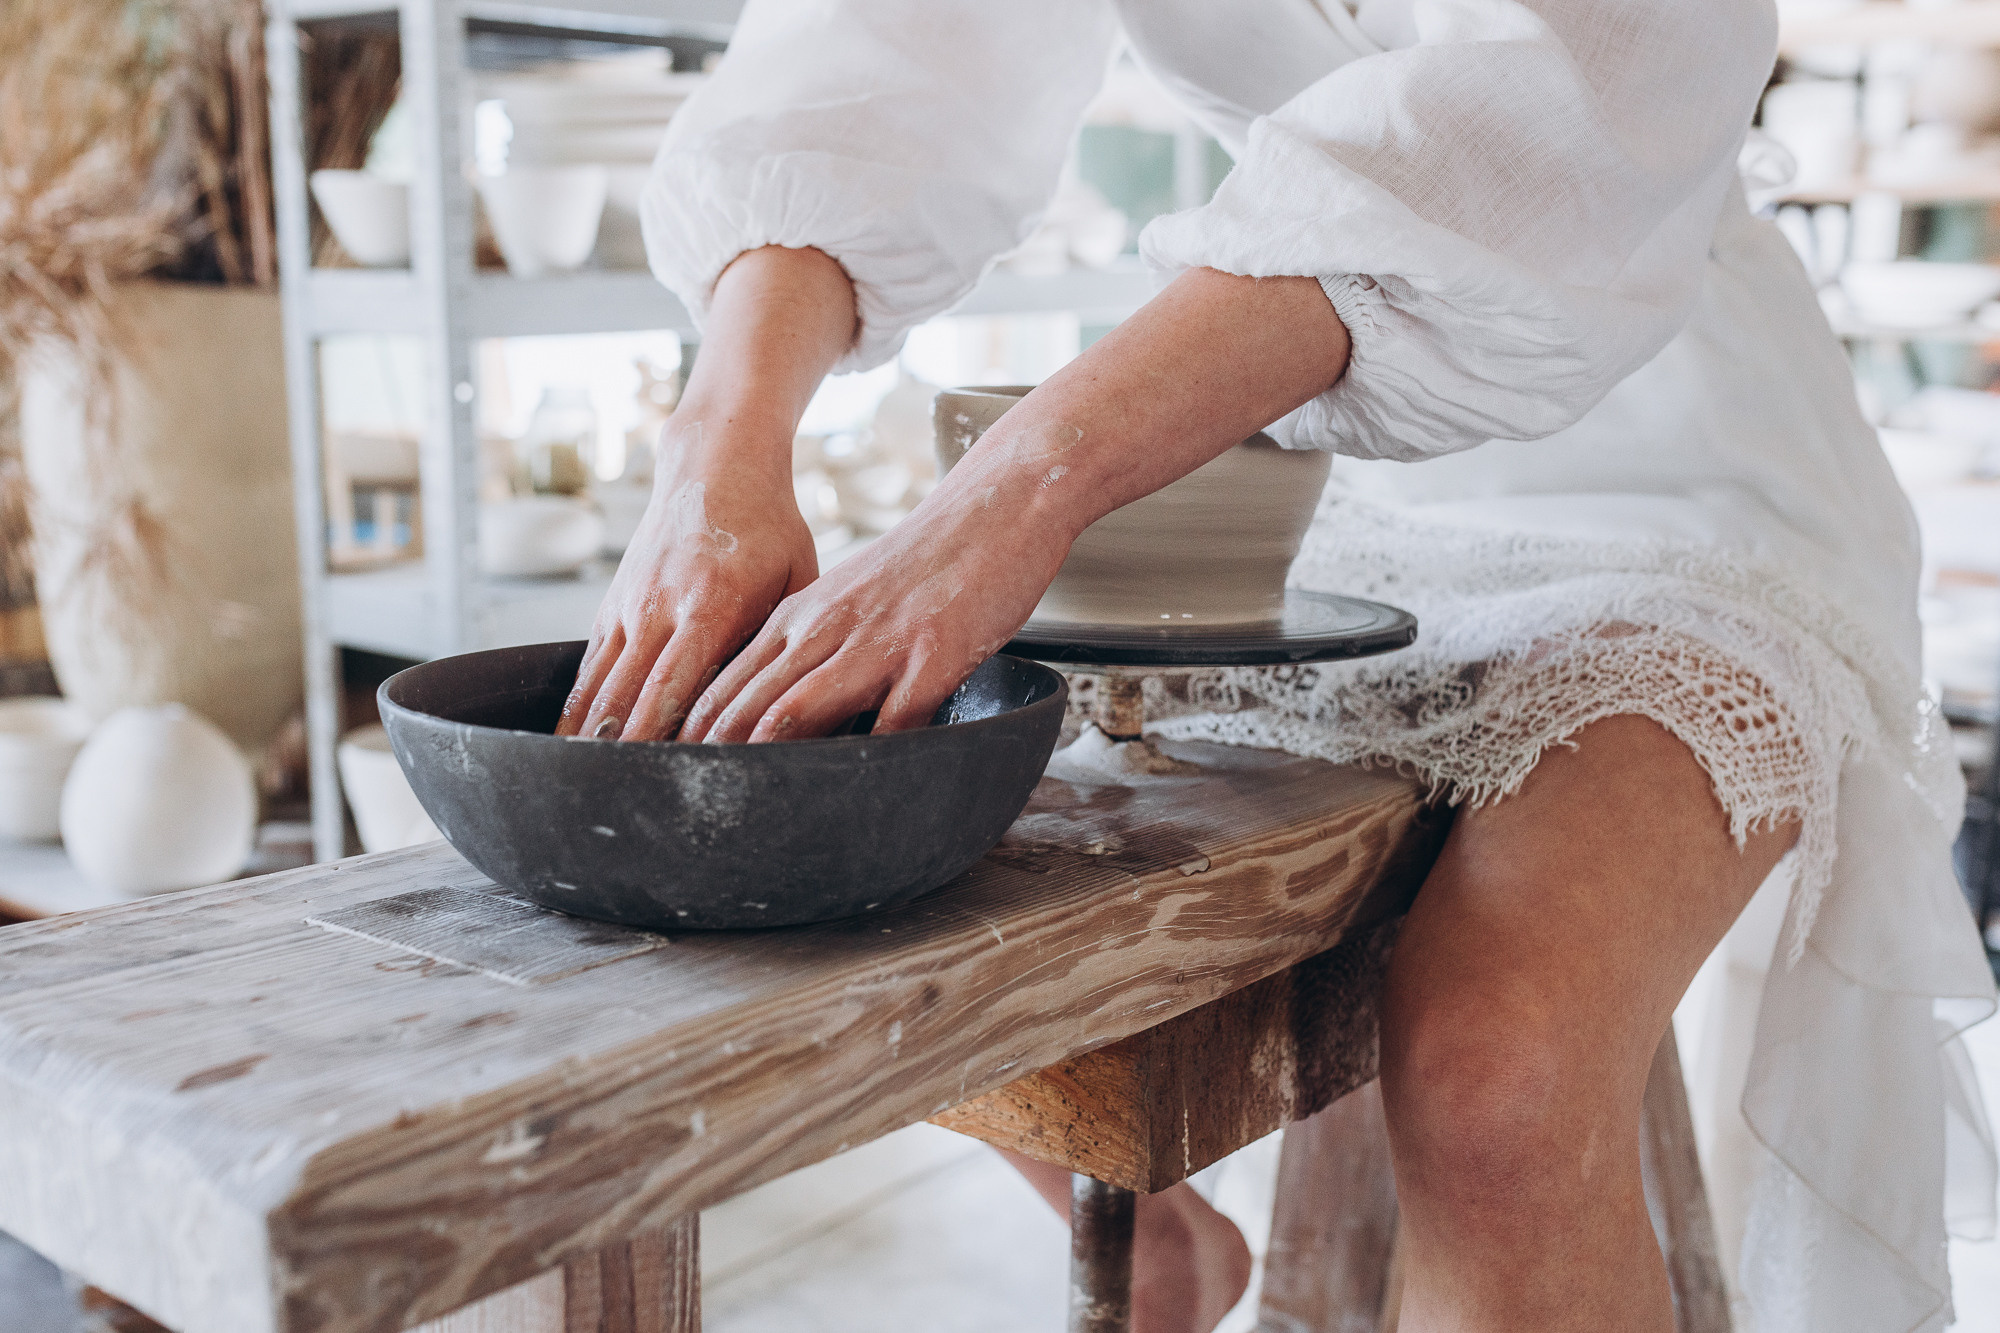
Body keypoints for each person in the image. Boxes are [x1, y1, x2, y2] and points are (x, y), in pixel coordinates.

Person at [559, 1, 1999, 1328]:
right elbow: (882, 51)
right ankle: (1166, 1239)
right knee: (884, 854)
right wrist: (719, 448)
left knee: (1501, 1067)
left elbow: (1565, 103)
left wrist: (1010, 496)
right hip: (1317, 481)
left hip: (1693, 490)